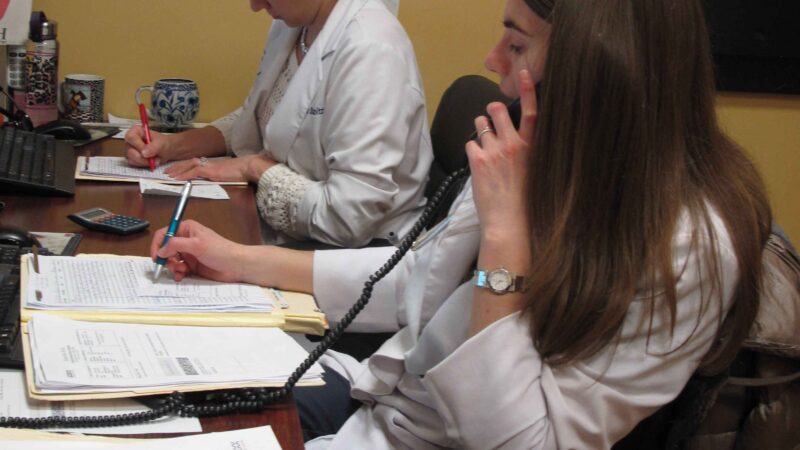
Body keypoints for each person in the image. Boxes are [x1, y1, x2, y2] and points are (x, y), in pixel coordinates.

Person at [149, 0, 773, 447]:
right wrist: (238, 261)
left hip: (433, 432)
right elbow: (415, 279)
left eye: (518, 43)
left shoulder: (689, 249)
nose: (491, 59)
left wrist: (504, 241)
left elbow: (523, 440)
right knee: (157, 400)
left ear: (597, 73)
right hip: (388, 402)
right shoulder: (552, 162)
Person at [126, 0, 431, 247]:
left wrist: (254, 167)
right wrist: (171, 145)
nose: (255, 5)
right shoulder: (295, 26)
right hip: (281, 229)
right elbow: (260, 118)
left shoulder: (371, 49)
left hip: (353, 258)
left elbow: (349, 219)